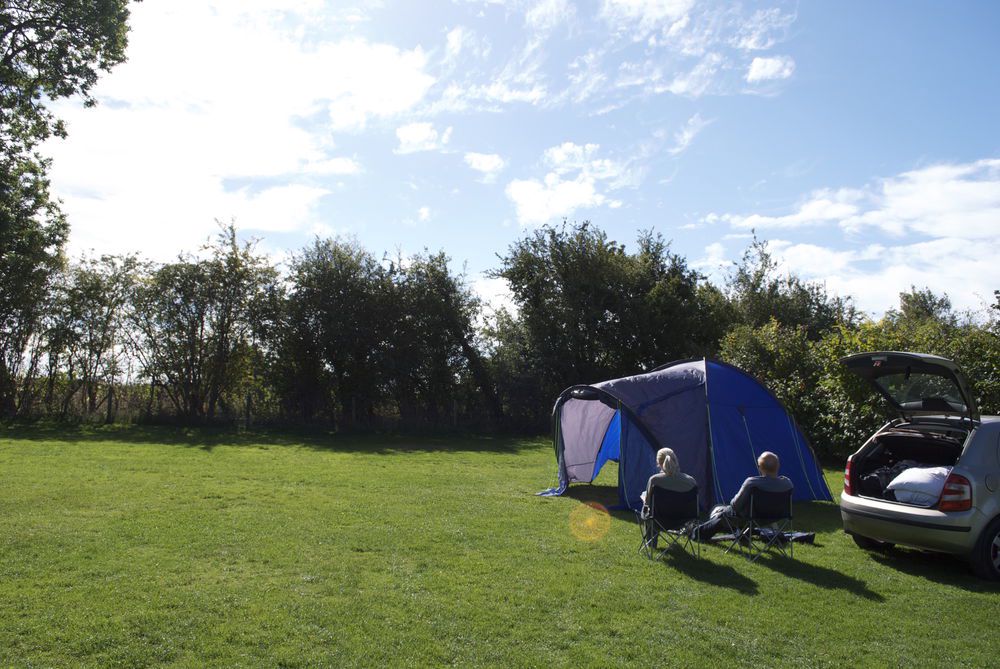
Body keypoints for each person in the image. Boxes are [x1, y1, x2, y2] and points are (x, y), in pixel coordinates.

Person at [693, 451, 793, 542]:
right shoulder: (787, 484)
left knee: (719, 511)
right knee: (726, 516)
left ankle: (697, 533)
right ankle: (742, 533)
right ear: (778, 466)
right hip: (774, 517)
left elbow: (735, 505)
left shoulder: (752, 483)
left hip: (749, 518)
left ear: (760, 468)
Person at [640, 448, 697, 548]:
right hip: (683, 520)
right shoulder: (691, 481)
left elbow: (648, 503)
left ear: (659, 463)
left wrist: (644, 497)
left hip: (659, 519)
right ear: (676, 460)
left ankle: (651, 544)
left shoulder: (655, 480)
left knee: (647, 510)